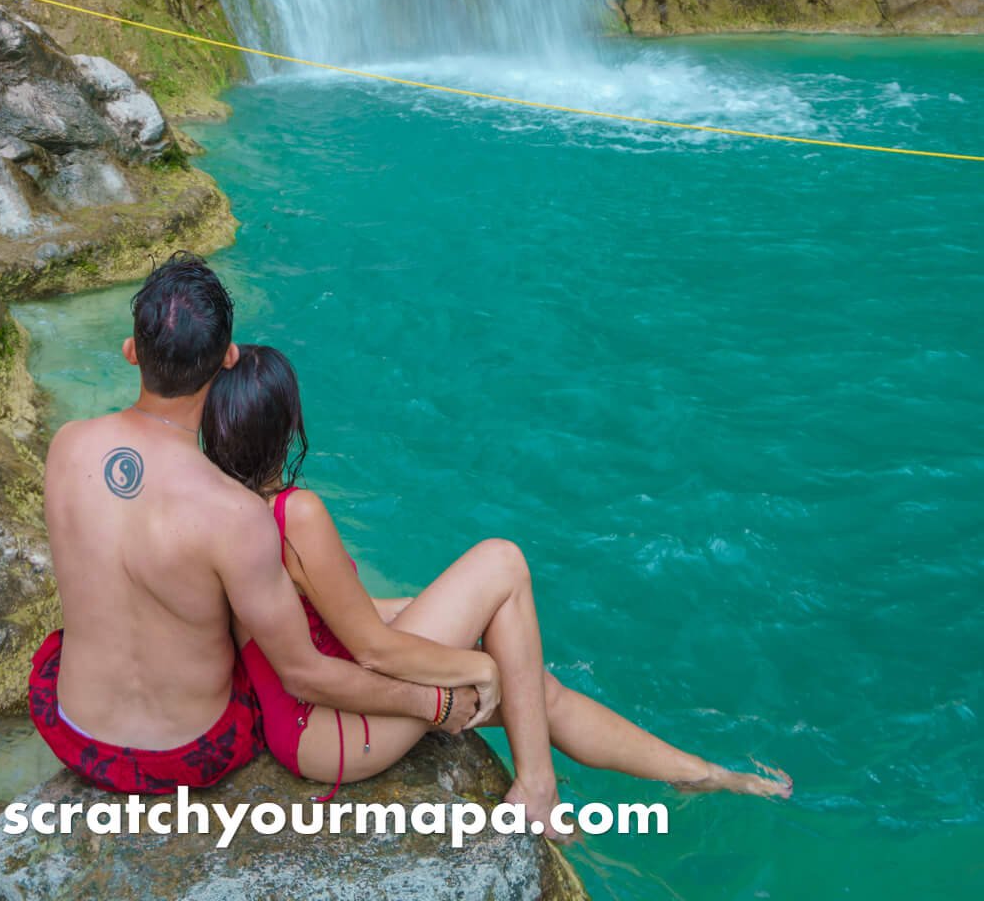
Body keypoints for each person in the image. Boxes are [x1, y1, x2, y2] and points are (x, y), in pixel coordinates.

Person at [203, 344, 793, 837]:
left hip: (300, 723)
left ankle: (698, 774)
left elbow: (309, 611)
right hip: (331, 731)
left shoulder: (223, 509)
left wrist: (411, 609)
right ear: (287, 426)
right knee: (503, 565)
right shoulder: (295, 512)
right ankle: (537, 792)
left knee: (535, 692)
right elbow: (373, 652)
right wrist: (476, 665)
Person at [33, 254, 495, 794]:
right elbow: (301, 674)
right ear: (227, 358)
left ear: (131, 351)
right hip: (183, 755)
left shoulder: (66, 447)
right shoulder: (235, 515)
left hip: (75, 732)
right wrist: (433, 703)